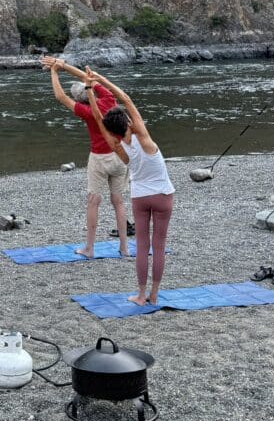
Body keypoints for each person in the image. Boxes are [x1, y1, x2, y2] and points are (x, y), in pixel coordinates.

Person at [84, 66, 174, 306]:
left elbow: (98, 119)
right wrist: (99, 79)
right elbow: (126, 99)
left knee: (143, 245)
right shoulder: (143, 137)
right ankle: (154, 294)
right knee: (159, 245)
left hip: (140, 197)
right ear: (126, 121)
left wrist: (89, 90)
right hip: (163, 194)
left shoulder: (117, 147)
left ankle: (141, 295)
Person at [40, 55, 130, 257]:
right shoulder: (108, 99)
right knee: (119, 202)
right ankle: (124, 247)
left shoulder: (87, 111)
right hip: (120, 156)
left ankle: (89, 248)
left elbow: (61, 97)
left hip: (99, 158)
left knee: (93, 201)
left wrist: (55, 72)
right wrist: (64, 66)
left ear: (81, 97)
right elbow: (88, 77)